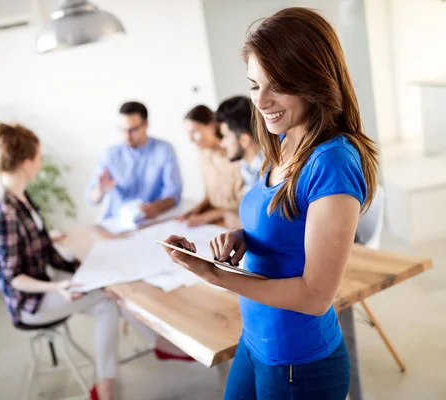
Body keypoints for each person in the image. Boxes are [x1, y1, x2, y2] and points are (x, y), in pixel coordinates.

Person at [161, 7, 378, 400]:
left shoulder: (332, 162)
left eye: (277, 86)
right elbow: (285, 221)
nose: (260, 101)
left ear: (314, 82)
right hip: (256, 340)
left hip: (299, 363)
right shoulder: (284, 140)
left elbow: (315, 296)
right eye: (254, 85)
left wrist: (215, 276)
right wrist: (245, 236)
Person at [0, 123, 191, 400]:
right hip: (29, 303)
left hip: (43, 287)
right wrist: (58, 287)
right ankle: (152, 350)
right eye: (39, 158)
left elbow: (40, 247)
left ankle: (108, 386)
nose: (40, 164)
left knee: (107, 302)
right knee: (110, 295)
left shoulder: (18, 195)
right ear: (26, 162)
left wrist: (68, 258)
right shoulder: (5, 212)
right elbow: (14, 278)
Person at [86, 101, 182, 222]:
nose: (127, 136)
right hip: (117, 222)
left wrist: (156, 207)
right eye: (122, 130)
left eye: (133, 130)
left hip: (151, 220)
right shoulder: (110, 155)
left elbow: (174, 193)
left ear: (146, 124)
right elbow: (91, 199)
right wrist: (100, 190)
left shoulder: (164, 150)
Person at [177, 104, 244, 227]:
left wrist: (204, 218)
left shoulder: (235, 154)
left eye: (195, 132)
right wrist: (196, 210)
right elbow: (211, 194)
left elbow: (243, 203)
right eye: (189, 134)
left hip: (236, 220)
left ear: (212, 126)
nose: (191, 139)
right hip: (214, 220)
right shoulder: (203, 154)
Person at [215, 96, 264, 228]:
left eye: (225, 136)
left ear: (244, 140)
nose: (222, 143)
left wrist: (242, 225)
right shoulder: (246, 165)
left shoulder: (270, 172)